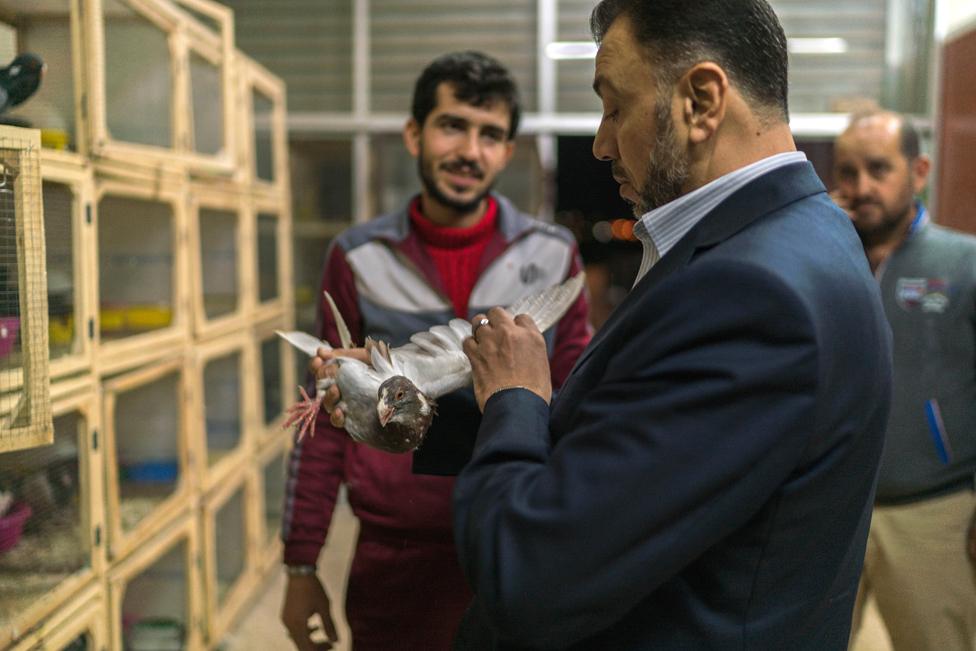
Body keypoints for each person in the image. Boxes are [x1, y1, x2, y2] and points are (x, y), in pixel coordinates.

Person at [449, 1, 893, 648]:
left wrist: (515, 396)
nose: (602, 143)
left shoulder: (750, 293)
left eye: (615, 106)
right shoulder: (804, 233)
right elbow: (637, 448)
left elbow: (531, 574)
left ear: (703, 100)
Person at [279, 51, 590, 651]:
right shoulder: (358, 257)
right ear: (414, 133)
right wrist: (300, 562)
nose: (470, 151)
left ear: (507, 151)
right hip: (396, 560)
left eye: (491, 134)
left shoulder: (552, 256)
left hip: (514, 546)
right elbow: (321, 414)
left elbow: (579, 402)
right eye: (452, 125)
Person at [832, 110, 976, 651]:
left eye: (878, 169)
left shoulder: (964, 264)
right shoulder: (822, 261)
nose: (861, 187)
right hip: (831, 511)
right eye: (847, 172)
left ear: (919, 171)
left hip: (932, 512)